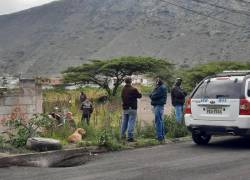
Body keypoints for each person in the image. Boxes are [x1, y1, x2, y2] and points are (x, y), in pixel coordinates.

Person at [121, 77, 142, 142]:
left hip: (125, 108)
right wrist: (139, 90)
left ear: (125, 82)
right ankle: (130, 137)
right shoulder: (134, 89)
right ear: (131, 81)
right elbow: (139, 96)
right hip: (132, 108)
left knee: (124, 122)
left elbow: (122, 97)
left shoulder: (123, 89)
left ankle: (122, 135)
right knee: (131, 122)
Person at [149, 77, 167, 142]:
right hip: (158, 105)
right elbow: (151, 94)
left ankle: (159, 136)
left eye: (157, 81)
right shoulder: (159, 87)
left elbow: (153, 96)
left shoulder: (161, 88)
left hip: (158, 105)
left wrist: (151, 95)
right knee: (160, 120)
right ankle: (161, 136)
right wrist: (152, 95)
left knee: (158, 121)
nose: (156, 82)